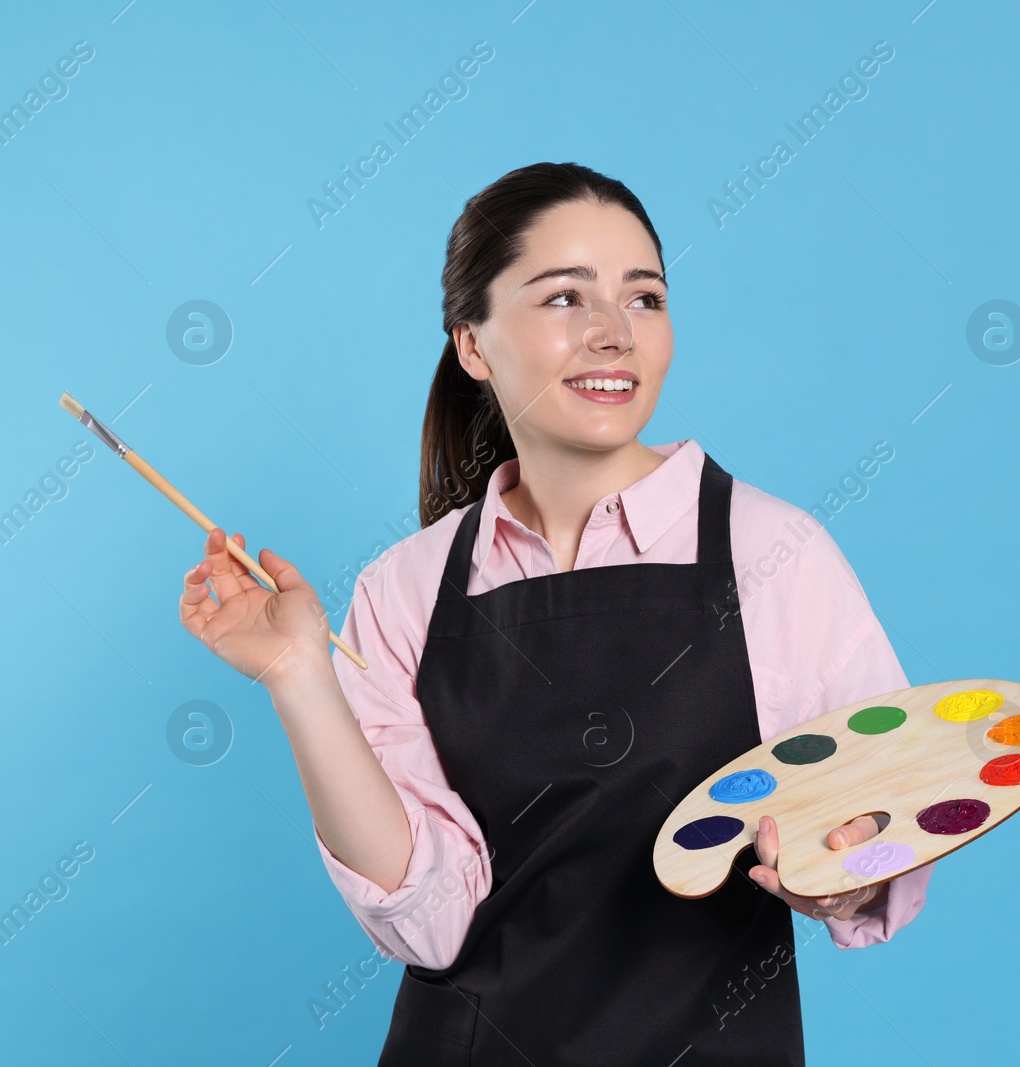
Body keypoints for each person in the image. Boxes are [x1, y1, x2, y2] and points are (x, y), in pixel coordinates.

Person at [179, 161, 933, 1064]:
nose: (615, 333)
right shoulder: (404, 588)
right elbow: (431, 922)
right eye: (565, 298)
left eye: (645, 298)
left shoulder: (774, 553)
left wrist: (841, 871)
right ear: (472, 343)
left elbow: (888, 811)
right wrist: (299, 676)